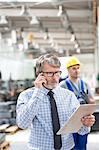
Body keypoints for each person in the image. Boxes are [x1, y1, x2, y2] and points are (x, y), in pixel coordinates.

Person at [16, 54, 95, 150]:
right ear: (39, 74)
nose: (55, 78)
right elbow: (22, 124)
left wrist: (86, 124)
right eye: (50, 73)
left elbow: (81, 130)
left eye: (57, 73)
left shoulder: (68, 96)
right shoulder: (26, 96)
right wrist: (38, 93)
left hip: (67, 148)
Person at [59, 56, 95, 150]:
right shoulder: (62, 85)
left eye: (78, 68)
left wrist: (86, 98)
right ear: (68, 70)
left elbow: (92, 101)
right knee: (71, 146)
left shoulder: (85, 84)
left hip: (84, 121)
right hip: (70, 121)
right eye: (73, 68)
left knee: (82, 146)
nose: (76, 70)